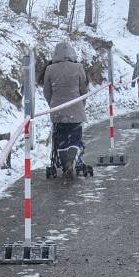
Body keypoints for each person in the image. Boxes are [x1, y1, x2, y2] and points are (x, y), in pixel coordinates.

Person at [43, 41, 89, 177]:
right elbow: (84, 90)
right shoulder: (78, 67)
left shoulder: (50, 69)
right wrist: (81, 105)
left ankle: (65, 161)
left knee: (60, 137)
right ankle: (73, 159)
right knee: (75, 137)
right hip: (76, 111)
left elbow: (47, 91)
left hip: (58, 111)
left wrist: (53, 105)